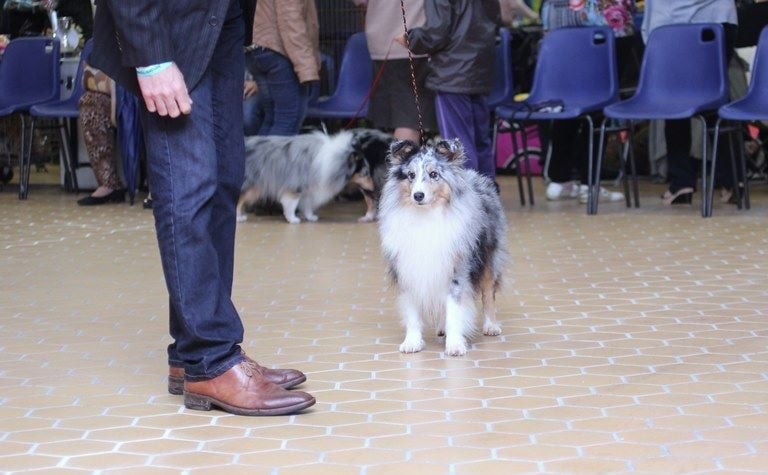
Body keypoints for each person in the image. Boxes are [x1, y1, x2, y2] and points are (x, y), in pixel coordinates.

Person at [89, 0, 315, 416]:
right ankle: (211, 360)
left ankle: (192, 354)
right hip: (167, 28)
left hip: (221, 20)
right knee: (187, 185)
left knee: (224, 181)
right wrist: (152, 57)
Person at [642, 0, 739, 205]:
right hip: (718, 17)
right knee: (715, 97)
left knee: (675, 99)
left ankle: (681, 182)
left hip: (673, 23)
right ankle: (731, 181)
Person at [540, 0, 635, 203]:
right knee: (599, 103)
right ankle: (590, 183)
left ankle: (559, 180)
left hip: (558, 19)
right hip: (604, 17)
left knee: (565, 102)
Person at [401, 0, 501, 179]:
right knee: (480, 142)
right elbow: (496, 19)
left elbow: (436, 33)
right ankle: (488, 197)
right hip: (480, 68)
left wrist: (411, 38)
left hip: (452, 72)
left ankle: (467, 200)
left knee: (457, 145)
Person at [351, 0, 437, 143]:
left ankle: (393, 163)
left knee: (395, 119)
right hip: (416, 39)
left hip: (380, 42)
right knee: (410, 121)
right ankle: (401, 165)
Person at [247, 0, 320, 136]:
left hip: (256, 49)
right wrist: (306, 68)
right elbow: (290, 18)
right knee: (288, 120)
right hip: (279, 51)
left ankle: (258, 157)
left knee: (271, 119)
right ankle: (274, 158)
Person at [76, 62, 125, 206]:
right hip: (120, 86)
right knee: (90, 101)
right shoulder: (108, 40)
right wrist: (112, 85)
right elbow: (87, 77)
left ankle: (161, 185)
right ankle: (108, 182)